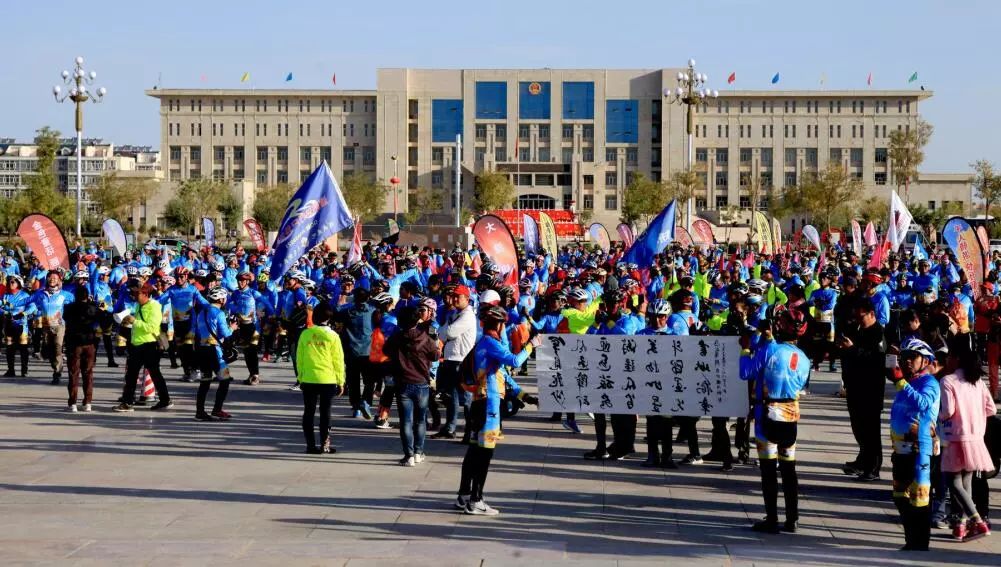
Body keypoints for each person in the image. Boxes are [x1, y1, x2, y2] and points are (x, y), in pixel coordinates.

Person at [456, 304, 540, 516]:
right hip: (489, 406)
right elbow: (514, 361)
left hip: (480, 404)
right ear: (500, 325)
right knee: (484, 454)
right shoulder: (491, 343)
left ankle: (464, 495)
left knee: (474, 451)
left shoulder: (483, 344)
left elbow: (503, 374)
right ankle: (476, 501)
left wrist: (523, 395)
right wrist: (531, 345)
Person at [740, 304, 810, 534]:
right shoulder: (805, 359)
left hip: (766, 413)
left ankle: (772, 518)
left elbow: (746, 372)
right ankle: (793, 518)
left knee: (768, 470)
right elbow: (801, 385)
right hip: (791, 412)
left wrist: (746, 349)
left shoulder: (769, 350)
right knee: (789, 469)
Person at [938, 339, 996, 541]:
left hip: (955, 437)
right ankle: (962, 526)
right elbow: (992, 409)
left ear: (956, 359)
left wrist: (939, 417)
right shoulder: (977, 382)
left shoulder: (947, 381)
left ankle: (977, 521)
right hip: (975, 437)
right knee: (966, 481)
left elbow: (948, 411)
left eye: (950, 357)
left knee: (954, 482)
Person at [889, 338, 941, 551]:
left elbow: (924, 403)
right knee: (899, 495)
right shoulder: (907, 382)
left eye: (913, 357)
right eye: (905, 357)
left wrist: (901, 383)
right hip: (900, 451)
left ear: (925, 360)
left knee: (920, 499)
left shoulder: (929, 383)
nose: (907, 361)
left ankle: (919, 542)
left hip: (920, 451)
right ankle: (912, 537)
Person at [384, 298, 441, 466]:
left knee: (405, 421)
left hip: (402, 383)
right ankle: (418, 451)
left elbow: (385, 350)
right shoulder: (426, 338)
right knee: (420, 420)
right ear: (417, 319)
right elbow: (436, 356)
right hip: (422, 383)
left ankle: (408, 455)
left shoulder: (396, 338)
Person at [840, 298, 887, 481]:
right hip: (855, 387)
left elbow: (877, 360)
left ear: (872, 314)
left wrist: (853, 350)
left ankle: (873, 467)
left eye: (862, 317)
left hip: (871, 390)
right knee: (858, 427)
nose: (859, 321)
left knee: (871, 430)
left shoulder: (878, 334)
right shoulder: (859, 331)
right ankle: (862, 460)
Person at [295, 303, 346, 454]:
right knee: (325, 413)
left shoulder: (305, 334)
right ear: (330, 319)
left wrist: (301, 376)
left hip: (309, 379)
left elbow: (299, 358)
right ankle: (325, 444)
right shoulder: (333, 336)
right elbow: (338, 360)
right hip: (328, 379)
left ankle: (310, 445)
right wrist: (340, 381)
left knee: (308, 412)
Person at [114, 284, 171, 412]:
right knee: (132, 375)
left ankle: (164, 400)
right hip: (137, 345)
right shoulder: (139, 305)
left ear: (146, 295)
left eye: (137, 294)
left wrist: (134, 322)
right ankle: (128, 402)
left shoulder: (155, 306)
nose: (134, 296)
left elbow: (152, 327)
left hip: (149, 345)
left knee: (155, 374)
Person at [434, 284, 477, 440]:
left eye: (458, 296)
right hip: (451, 359)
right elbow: (441, 332)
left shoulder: (467, 315)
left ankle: (469, 431)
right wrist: (445, 332)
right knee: (451, 396)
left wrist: (445, 332)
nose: (454, 299)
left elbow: (449, 332)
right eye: (453, 296)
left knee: (466, 398)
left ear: (467, 298)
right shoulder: (455, 314)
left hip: (462, 360)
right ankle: (450, 428)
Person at [193, 287, 237, 421]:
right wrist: (233, 328)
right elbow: (225, 333)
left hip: (202, 349)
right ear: (221, 299)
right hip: (214, 351)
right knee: (225, 379)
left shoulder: (201, 312)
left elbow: (198, 331)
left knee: (205, 382)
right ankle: (217, 409)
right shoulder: (219, 313)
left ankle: (200, 412)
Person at [63, 286, 100, 412]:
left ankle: (72, 402)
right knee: (88, 372)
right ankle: (87, 402)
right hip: (89, 342)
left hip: (74, 343)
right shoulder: (93, 308)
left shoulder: (69, 308)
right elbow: (101, 321)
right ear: (87, 295)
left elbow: (65, 318)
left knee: (74, 373)